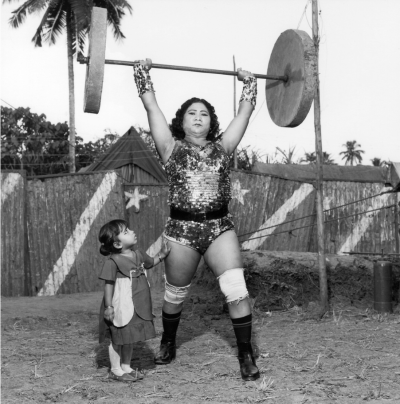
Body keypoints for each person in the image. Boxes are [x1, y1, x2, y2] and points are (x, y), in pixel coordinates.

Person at [132, 59, 259, 381]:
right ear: (182, 121)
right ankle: (168, 341)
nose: (198, 117)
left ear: (211, 122)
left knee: (236, 289)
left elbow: (244, 113)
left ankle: (246, 354)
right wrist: (142, 72)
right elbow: (150, 107)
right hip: (181, 232)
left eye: (204, 113)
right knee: (175, 295)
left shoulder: (224, 147)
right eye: (192, 112)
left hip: (219, 229)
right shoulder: (169, 148)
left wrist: (249, 82)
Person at [98, 219, 171, 382]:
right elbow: (108, 285)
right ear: (117, 244)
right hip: (121, 303)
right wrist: (109, 306)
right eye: (126, 232)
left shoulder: (138, 254)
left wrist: (162, 255)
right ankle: (116, 370)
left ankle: (126, 367)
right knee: (119, 336)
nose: (132, 232)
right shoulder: (112, 262)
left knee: (129, 336)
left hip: (138, 301)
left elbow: (151, 262)